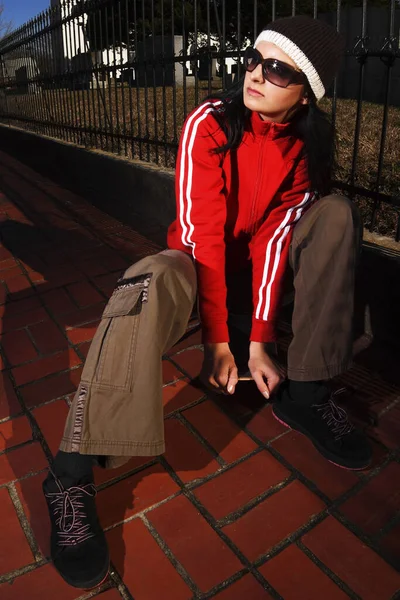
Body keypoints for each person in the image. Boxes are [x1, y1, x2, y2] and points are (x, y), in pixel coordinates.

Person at [42, 15, 372, 589]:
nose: (255, 74)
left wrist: (261, 341)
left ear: (306, 92)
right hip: (199, 270)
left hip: (258, 281)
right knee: (146, 278)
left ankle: (308, 393)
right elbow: (204, 238)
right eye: (253, 58)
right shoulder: (211, 123)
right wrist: (220, 342)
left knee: (337, 214)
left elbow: (274, 244)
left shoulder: (301, 149)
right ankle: (69, 477)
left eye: (276, 68)